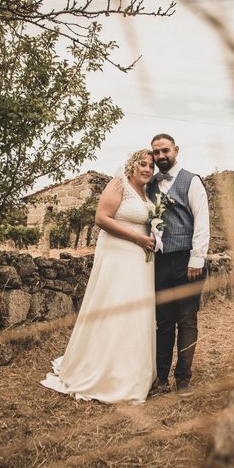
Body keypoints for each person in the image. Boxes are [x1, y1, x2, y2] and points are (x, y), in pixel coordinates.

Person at [40, 150, 157, 403]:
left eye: (151, 166)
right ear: (133, 165)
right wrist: (137, 238)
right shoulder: (119, 184)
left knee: (136, 312)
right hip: (119, 255)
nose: (147, 169)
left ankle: (131, 372)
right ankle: (104, 372)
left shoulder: (147, 194)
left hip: (141, 261)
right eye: (143, 164)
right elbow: (101, 218)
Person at [147, 133, 210, 398]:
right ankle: (161, 377)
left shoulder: (191, 181)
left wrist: (197, 258)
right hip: (160, 262)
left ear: (176, 150)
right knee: (163, 322)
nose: (161, 156)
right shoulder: (150, 185)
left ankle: (183, 377)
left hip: (187, 261)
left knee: (186, 321)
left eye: (165, 151)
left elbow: (202, 222)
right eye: (156, 152)